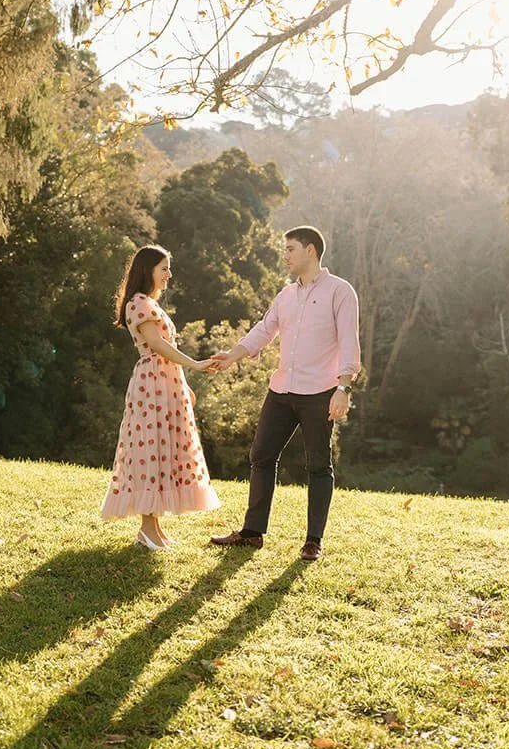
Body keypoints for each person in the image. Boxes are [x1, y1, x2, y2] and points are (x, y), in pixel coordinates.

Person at [207, 226, 360, 561]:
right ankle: (252, 532)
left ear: (310, 250)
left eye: (290, 249)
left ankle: (313, 541)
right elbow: (264, 330)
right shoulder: (286, 295)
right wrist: (232, 355)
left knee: (318, 465)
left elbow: (349, 341)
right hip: (281, 390)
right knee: (261, 455)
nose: (285, 255)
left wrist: (343, 388)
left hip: (319, 392)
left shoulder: (340, 291)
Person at [101, 245, 221, 549]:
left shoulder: (149, 303)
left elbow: (166, 349)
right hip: (151, 384)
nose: (169, 274)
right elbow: (156, 345)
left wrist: (184, 384)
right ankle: (146, 529)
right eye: (164, 268)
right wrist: (195, 364)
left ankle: (153, 528)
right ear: (148, 270)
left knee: (164, 451)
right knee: (150, 450)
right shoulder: (138, 303)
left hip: (164, 382)